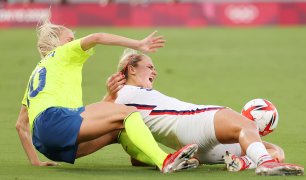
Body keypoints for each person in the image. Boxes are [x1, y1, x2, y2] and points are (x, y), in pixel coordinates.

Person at [15, 18, 199, 173]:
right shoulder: (62, 53)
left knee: (116, 130)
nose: (75, 41)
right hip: (55, 123)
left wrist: (35, 162)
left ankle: (161, 161)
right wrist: (138, 44)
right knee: (127, 112)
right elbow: (97, 37)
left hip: (49, 145)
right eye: (70, 39)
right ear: (58, 43)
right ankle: (165, 160)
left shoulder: (38, 72)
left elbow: (21, 126)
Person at [104, 48, 304, 176]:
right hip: (194, 123)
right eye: (149, 66)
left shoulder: (124, 99)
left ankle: (241, 163)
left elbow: (128, 149)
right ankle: (265, 164)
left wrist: (141, 156)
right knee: (246, 125)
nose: (154, 72)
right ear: (131, 69)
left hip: (192, 149)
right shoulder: (123, 94)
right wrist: (108, 97)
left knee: (276, 150)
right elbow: (91, 117)